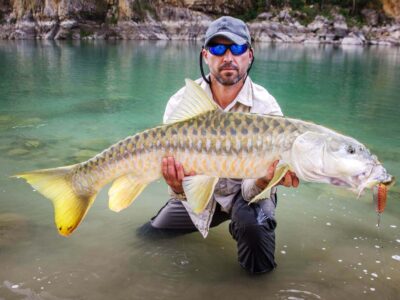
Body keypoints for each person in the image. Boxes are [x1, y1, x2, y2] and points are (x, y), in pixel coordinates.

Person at [149, 16, 299, 274]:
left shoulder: (266, 107)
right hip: (200, 192)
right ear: (206, 55)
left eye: (237, 48)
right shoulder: (181, 102)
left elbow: (257, 187)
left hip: (248, 192)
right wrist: (176, 185)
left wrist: (265, 180)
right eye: (218, 48)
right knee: (151, 235)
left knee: (253, 228)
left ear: (249, 55)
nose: (228, 56)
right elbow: (182, 183)